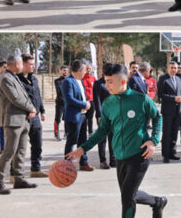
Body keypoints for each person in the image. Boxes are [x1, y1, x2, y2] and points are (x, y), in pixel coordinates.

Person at [66, 63, 167, 218]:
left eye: (110, 82)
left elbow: (157, 117)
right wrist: (83, 148)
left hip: (140, 154)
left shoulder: (140, 99)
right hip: (120, 156)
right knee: (128, 194)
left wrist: (153, 141)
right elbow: (102, 131)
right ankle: (157, 202)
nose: (106, 86)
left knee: (127, 198)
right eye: (105, 81)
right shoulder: (108, 104)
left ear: (123, 82)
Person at [0, 54, 37, 194]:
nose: (22, 66)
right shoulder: (5, 78)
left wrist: (31, 108)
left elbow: (25, 96)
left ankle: (19, 179)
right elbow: (15, 98)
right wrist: (31, 108)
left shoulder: (14, 77)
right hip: (12, 121)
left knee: (21, 151)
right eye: (20, 64)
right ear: (15, 64)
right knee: (9, 152)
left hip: (22, 119)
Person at [17, 54, 46, 178]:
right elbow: (17, 98)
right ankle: (16, 173)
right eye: (31, 64)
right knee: (20, 147)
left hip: (36, 117)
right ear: (23, 65)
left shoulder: (34, 79)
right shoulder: (17, 79)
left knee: (37, 144)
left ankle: (35, 169)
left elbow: (37, 95)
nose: (33, 66)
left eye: (34, 64)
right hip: (23, 117)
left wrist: (42, 110)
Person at [62, 59, 94, 171]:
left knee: (83, 140)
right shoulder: (68, 81)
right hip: (73, 116)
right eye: (84, 70)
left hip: (82, 115)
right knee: (72, 141)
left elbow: (83, 96)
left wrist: (88, 102)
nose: (86, 72)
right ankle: (68, 164)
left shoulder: (80, 81)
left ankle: (83, 162)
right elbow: (69, 99)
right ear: (79, 70)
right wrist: (84, 104)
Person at [159, 61, 181, 162]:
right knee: (167, 133)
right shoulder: (163, 79)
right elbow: (160, 95)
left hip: (178, 111)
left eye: (175, 68)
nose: (173, 69)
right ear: (168, 68)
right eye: (172, 67)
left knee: (174, 133)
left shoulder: (178, 79)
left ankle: (172, 153)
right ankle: (166, 155)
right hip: (168, 111)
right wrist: (174, 98)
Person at [92, 64, 115, 168]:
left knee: (113, 137)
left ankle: (113, 159)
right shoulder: (98, 83)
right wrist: (99, 115)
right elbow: (97, 101)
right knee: (102, 138)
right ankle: (103, 160)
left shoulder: (115, 83)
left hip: (114, 114)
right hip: (103, 115)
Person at [53, 65, 68, 141]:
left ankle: (66, 133)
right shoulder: (57, 81)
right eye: (64, 70)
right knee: (57, 119)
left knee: (67, 118)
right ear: (61, 71)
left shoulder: (69, 80)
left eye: (66, 70)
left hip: (67, 103)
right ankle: (56, 133)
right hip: (59, 103)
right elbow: (60, 90)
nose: (65, 72)